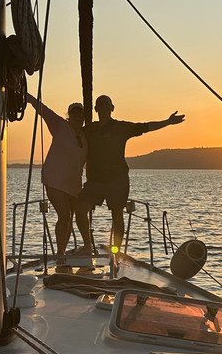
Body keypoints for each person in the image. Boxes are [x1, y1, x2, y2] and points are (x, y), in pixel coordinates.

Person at [79, 94, 185, 254]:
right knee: (80, 210)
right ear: (95, 109)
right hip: (95, 181)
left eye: (107, 105)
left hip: (117, 179)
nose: (104, 108)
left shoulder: (121, 128)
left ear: (112, 108)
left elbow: (145, 127)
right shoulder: (89, 130)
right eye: (100, 105)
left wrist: (168, 122)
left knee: (117, 215)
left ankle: (116, 252)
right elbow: (70, 134)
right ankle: (87, 247)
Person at [25, 93, 92, 261]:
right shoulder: (60, 126)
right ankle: (60, 253)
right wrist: (28, 97)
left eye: (80, 113)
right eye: (74, 113)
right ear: (68, 115)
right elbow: (44, 111)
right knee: (64, 215)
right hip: (54, 180)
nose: (77, 115)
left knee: (73, 217)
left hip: (73, 185)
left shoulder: (85, 136)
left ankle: (82, 247)